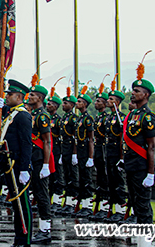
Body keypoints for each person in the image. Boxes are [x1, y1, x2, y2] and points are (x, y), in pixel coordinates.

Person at [0, 79, 33, 247]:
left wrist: (24, 169)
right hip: (8, 163)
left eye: (10, 95)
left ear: (19, 97)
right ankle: (18, 239)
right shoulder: (9, 111)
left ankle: (25, 240)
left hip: (17, 164)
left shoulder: (22, 115)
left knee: (23, 203)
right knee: (16, 204)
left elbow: (26, 144)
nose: (6, 97)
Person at [122, 59, 155, 246]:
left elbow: (151, 146)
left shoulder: (148, 116)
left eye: (137, 91)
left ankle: (146, 242)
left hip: (141, 167)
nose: (133, 93)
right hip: (131, 165)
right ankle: (140, 238)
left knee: (144, 205)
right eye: (133, 90)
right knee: (136, 204)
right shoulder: (132, 115)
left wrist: (150, 173)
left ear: (145, 95)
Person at [101, 78, 128, 223]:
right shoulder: (108, 117)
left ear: (116, 102)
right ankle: (113, 208)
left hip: (117, 151)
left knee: (118, 180)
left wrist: (122, 156)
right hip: (108, 151)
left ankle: (121, 209)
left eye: (111, 99)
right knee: (110, 179)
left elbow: (122, 138)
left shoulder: (120, 118)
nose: (108, 101)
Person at [28, 83, 53, 243]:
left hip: (39, 160)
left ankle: (45, 230)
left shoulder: (42, 116)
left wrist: (45, 164)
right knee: (36, 193)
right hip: (32, 159)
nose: (29, 97)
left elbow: (47, 141)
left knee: (42, 194)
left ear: (40, 98)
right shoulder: (32, 115)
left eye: (32, 95)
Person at [56, 87, 79, 215]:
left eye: (65, 103)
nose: (63, 105)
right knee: (66, 175)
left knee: (72, 176)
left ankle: (72, 203)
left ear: (72, 105)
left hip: (71, 149)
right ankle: (67, 202)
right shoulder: (64, 118)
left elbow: (75, 137)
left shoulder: (73, 118)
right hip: (64, 148)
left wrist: (74, 153)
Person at [74, 86, 95, 217]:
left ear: (85, 104)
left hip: (86, 152)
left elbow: (91, 139)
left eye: (79, 102)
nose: (77, 103)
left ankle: (88, 205)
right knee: (81, 178)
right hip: (80, 152)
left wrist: (90, 157)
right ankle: (83, 205)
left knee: (87, 179)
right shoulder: (79, 118)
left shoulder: (88, 119)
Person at [91, 86, 109, 218]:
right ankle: (101, 206)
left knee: (105, 179)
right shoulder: (97, 118)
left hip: (104, 149)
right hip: (98, 149)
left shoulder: (106, 118)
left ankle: (105, 207)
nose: (96, 103)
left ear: (104, 104)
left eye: (98, 101)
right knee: (99, 179)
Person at [46, 91, 64, 213]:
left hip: (56, 150)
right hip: (49, 150)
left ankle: (57, 200)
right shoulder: (46, 118)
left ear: (56, 107)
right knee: (50, 177)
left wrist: (62, 153)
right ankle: (50, 199)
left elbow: (62, 137)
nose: (48, 106)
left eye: (50, 104)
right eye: (47, 103)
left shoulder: (58, 120)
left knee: (58, 176)